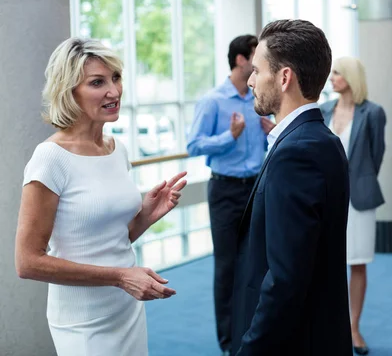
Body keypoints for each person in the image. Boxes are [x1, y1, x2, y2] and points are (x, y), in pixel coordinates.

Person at [15, 37, 187, 356]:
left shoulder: (115, 149)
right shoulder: (50, 158)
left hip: (127, 308)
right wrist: (121, 277)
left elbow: (110, 240)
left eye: (116, 78)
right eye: (98, 82)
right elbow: (27, 263)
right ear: (68, 91)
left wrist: (146, 216)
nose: (114, 91)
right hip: (83, 323)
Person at [231, 19, 353, 356]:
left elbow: (285, 278)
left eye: (257, 71)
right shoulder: (322, 139)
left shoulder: (296, 152)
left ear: (284, 78)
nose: (251, 80)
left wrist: (249, 349)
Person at [187, 34, 275, 356]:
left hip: (256, 187)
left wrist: (271, 132)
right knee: (227, 268)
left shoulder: (257, 98)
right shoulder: (213, 100)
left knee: (255, 263)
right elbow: (194, 144)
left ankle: (250, 334)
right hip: (225, 190)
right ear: (241, 60)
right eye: (256, 56)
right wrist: (229, 136)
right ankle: (228, 343)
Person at [320, 56, 386, 355]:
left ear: (350, 77)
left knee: (356, 262)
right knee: (324, 262)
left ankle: (353, 327)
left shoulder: (373, 113)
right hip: (325, 198)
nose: (331, 77)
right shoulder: (324, 111)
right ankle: (327, 325)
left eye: (336, 73)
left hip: (358, 198)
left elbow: (376, 156)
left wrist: (357, 180)